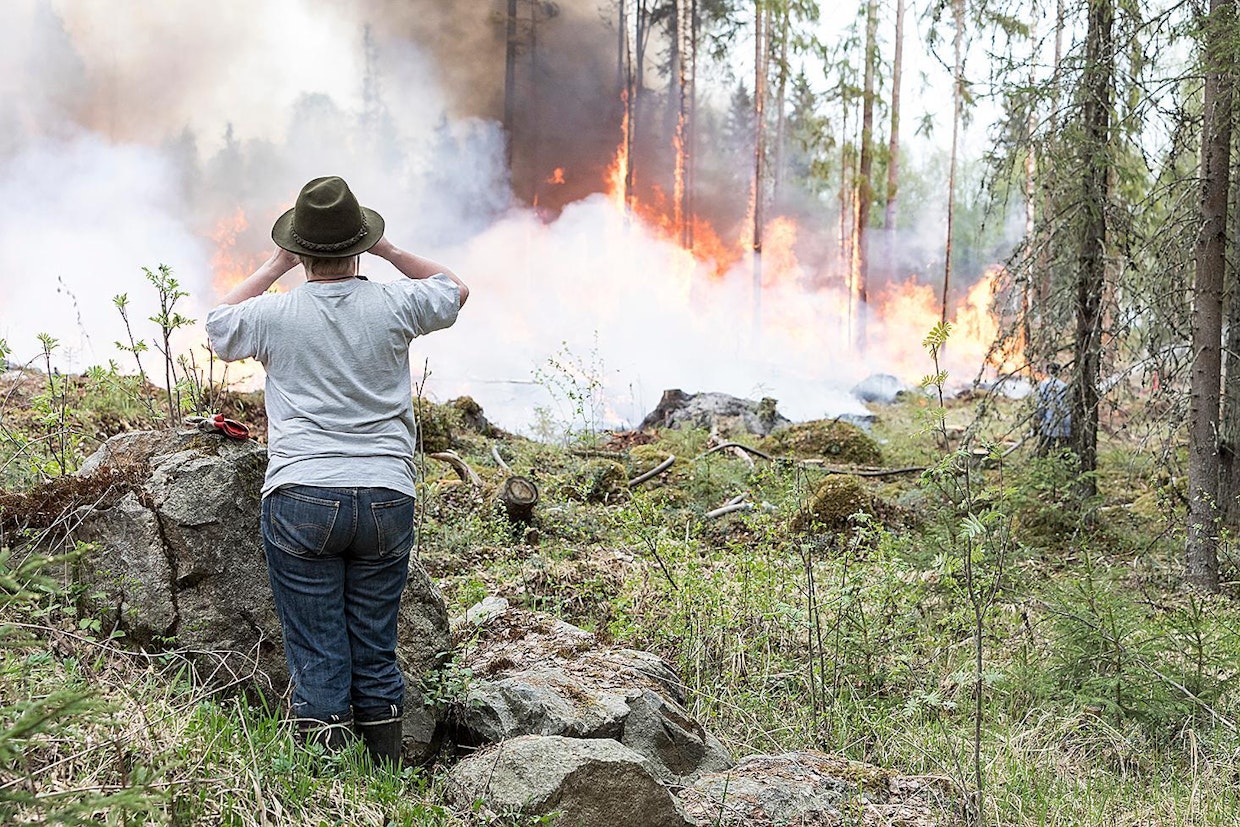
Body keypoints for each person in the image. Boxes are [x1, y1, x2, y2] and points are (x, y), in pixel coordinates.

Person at [205, 176, 469, 764]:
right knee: (375, 646)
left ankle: (331, 783)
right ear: (360, 245)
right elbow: (454, 289)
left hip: (302, 494)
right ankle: (385, 777)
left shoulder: (275, 314)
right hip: (386, 496)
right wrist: (389, 250)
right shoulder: (395, 304)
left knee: (319, 650)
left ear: (300, 249)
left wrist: (277, 263)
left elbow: (218, 326)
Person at [1034, 362, 1070, 455]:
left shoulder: (1044, 385)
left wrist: (1038, 421)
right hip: (1065, 421)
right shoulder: (1064, 386)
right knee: (1064, 450)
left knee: (1044, 447)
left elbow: (1041, 406)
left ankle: (1041, 460)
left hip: (1049, 421)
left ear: (1047, 371)